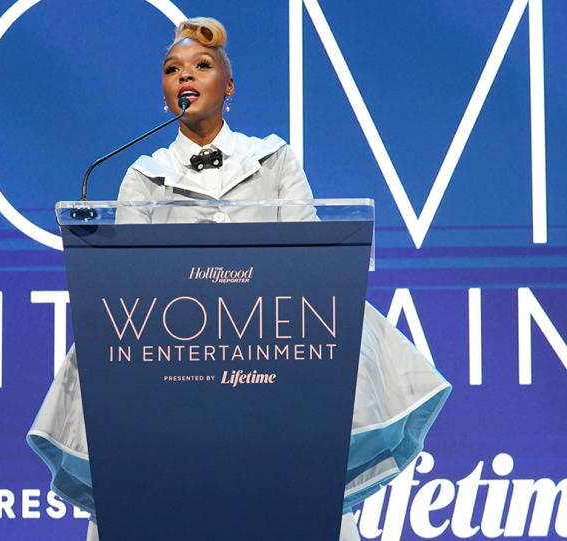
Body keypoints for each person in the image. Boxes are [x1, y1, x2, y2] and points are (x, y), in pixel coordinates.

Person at [27, 17, 451, 541]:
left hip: (273, 363)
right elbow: (122, 284)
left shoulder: (273, 158)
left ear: (228, 87)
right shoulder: (141, 173)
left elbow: (313, 261)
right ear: (164, 95)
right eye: (172, 70)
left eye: (202, 67)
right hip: (171, 369)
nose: (186, 77)